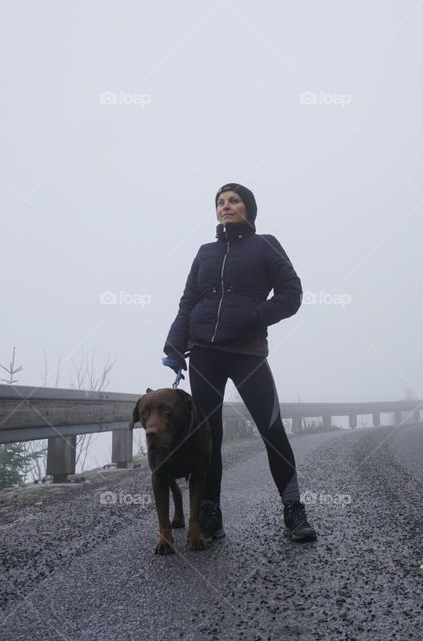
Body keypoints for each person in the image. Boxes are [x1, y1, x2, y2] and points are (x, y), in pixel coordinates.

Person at [162, 182, 317, 542]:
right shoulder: (204, 252)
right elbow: (187, 302)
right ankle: (210, 513)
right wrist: (174, 345)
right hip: (204, 354)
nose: (225, 206)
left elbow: (291, 293)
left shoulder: (265, 245)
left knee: (272, 429)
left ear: (248, 208)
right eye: (220, 202)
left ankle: (293, 510)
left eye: (233, 201)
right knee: (208, 436)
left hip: (247, 353)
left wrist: (254, 315)